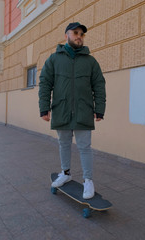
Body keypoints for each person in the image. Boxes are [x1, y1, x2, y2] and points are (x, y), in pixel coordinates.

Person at [38, 22, 106, 199]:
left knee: (85, 147)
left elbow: (99, 85)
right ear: (66, 35)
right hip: (62, 109)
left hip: (84, 110)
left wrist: (100, 109)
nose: (79, 36)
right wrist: (44, 108)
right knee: (64, 144)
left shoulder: (90, 61)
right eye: (75, 33)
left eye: (82, 34)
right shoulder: (54, 59)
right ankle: (66, 173)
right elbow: (45, 83)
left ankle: (88, 181)